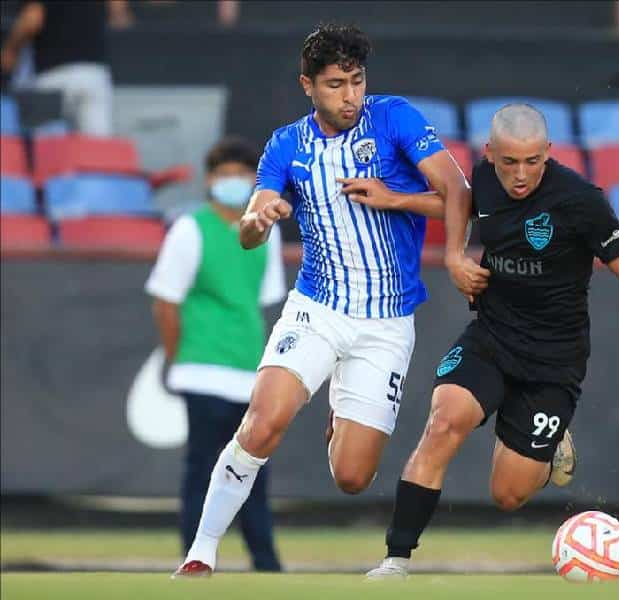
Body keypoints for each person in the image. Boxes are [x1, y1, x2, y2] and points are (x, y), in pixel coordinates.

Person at [172, 23, 469, 577]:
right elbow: (248, 227)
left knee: (352, 478)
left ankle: (338, 407)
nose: (350, 95)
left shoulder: (394, 116)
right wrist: (260, 218)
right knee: (262, 423)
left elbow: (459, 193)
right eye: (336, 84)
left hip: (386, 322)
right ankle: (201, 553)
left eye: (357, 81)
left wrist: (396, 199)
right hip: (318, 309)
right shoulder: (287, 144)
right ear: (307, 85)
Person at [366, 104, 619, 579]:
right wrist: (404, 208)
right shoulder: (486, 180)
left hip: (553, 362)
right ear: (490, 154)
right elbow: (461, 202)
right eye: (509, 162)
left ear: (548, 153)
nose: (520, 175)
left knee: (508, 494)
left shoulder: (581, 201)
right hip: (491, 338)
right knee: (443, 422)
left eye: (533, 161)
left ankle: (554, 441)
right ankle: (395, 560)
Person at [146, 137, 285, 572]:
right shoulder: (190, 229)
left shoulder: (267, 233)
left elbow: (262, 298)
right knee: (204, 469)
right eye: (225, 174)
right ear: (210, 180)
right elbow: (166, 303)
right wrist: (180, 357)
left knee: (251, 474)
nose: (233, 182)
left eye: (242, 175)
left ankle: (266, 565)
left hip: (249, 372)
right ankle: (196, 559)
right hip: (202, 371)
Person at [0, 0, 119, 135]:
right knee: (97, 147)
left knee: (47, 146)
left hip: (54, 75)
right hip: (93, 74)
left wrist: (11, 49)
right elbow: (117, 13)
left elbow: (32, 18)